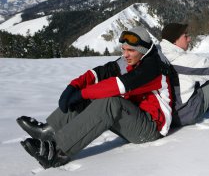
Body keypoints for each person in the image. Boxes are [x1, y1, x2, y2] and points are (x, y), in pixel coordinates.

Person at [17, 26, 173, 169]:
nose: (125, 54)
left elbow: (119, 85)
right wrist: (74, 86)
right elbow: (103, 72)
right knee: (94, 94)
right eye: (123, 49)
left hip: (151, 129)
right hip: (134, 117)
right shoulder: (134, 59)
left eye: (130, 50)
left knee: (110, 102)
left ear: (143, 50)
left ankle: (57, 151)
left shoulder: (153, 68)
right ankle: (48, 131)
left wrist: (82, 93)